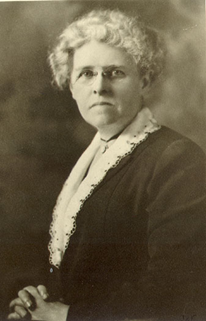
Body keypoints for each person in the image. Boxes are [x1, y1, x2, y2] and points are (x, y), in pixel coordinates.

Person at [8, 8, 206, 321]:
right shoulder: (90, 161)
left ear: (142, 80)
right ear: (71, 86)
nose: (99, 86)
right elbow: (80, 268)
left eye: (115, 72)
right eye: (85, 73)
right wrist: (38, 300)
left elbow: (176, 291)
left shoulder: (176, 159)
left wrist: (65, 316)